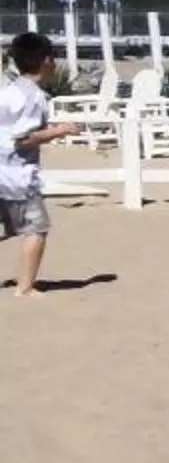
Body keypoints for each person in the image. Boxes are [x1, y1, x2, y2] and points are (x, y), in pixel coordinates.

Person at [3, 33, 81, 299]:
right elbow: (24, 138)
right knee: (36, 229)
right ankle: (25, 287)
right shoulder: (36, 97)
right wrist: (61, 130)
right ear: (46, 61)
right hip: (18, 175)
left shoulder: (9, 90)